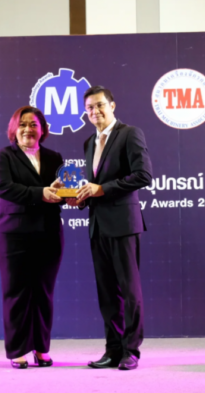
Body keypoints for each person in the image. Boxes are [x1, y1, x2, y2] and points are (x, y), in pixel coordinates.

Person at [68, 86, 153, 370]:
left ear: (112, 106)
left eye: (100, 105)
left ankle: (131, 351)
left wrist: (101, 189)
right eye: (89, 108)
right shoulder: (88, 142)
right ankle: (113, 350)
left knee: (130, 292)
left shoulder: (130, 134)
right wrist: (81, 198)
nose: (95, 111)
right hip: (97, 227)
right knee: (107, 294)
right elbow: (94, 185)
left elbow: (143, 175)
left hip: (124, 225)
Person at [0, 106, 64, 369]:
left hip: (48, 233)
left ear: (42, 129)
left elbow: (60, 192)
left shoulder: (55, 158)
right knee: (17, 292)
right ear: (14, 128)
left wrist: (71, 196)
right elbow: (3, 188)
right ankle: (18, 349)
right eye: (22, 124)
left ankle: (41, 348)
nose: (28, 129)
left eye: (33, 124)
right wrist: (41, 193)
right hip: (13, 235)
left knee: (44, 293)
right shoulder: (3, 157)